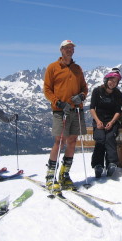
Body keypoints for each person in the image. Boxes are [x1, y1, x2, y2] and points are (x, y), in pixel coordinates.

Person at [43, 40, 88, 193]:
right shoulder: (53, 68)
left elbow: (84, 88)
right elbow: (47, 89)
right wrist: (58, 103)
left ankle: (64, 174)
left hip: (76, 109)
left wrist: (81, 96)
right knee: (59, 140)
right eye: (67, 48)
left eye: (71, 48)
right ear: (61, 50)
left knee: (72, 140)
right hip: (60, 110)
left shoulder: (77, 68)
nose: (69, 50)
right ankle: (50, 176)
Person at [90, 68, 122, 178]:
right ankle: (98, 165)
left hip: (111, 121)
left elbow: (118, 111)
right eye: (111, 80)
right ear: (106, 80)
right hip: (98, 120)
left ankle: (111, 163)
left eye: (115, 82)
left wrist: (112, 122)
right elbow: (92, 108)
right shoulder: (97, 91)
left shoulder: (118, 94)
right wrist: (98, 121)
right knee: (100, 139)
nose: (113, 83)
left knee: (109, 138)